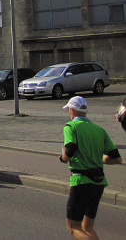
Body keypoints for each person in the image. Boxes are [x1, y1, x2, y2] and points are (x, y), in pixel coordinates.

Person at [59, 96, 121, 240]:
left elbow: (69, 151)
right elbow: (116, 158)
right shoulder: (99, 130)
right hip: (99, 182)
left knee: (73, 227)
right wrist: (98, 158)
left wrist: (62, 158)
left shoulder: (70, 127)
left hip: (81, 181)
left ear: (72, 110)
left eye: (69, 109)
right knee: (87, 227)